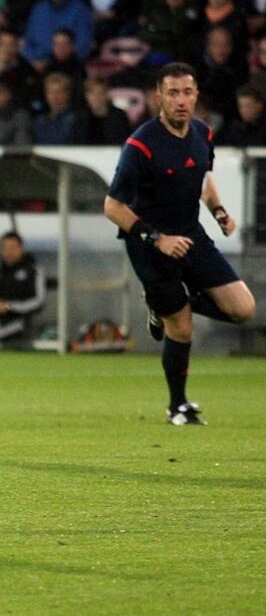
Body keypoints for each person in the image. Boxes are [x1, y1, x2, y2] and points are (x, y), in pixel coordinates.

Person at [104, 62, 256, 426]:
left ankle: (164, 304)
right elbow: (112, 206)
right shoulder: (140, 144)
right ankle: (178, 407)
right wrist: (157, 239)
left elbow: (202, 179)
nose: (181, 100)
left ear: (196, 95)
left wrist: (219, 212)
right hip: (148, 244)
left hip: (191, 235)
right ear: (159, 97)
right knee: (182, 326)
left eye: (187, 92)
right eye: (173, 93)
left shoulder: (203, 134)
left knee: (242, 308)